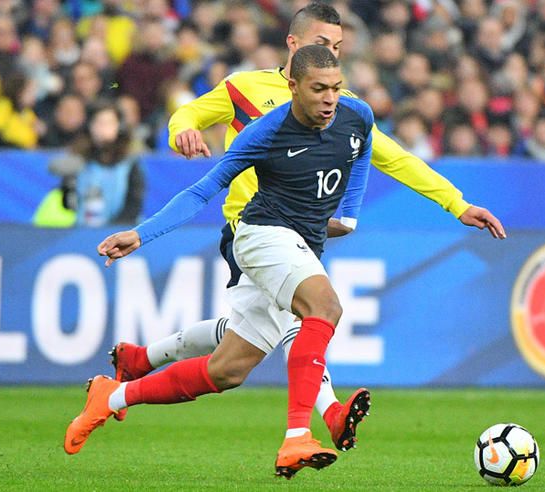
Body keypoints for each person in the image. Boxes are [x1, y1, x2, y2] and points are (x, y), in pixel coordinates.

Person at [108, 1, 505, 450]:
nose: (332, 54)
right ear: (293, 44)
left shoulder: (341, 107)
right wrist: (184, 130)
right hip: (251, 227)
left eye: (337, 47)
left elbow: (396, 159)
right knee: (308, 315)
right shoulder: (245, 88)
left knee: (244, 345)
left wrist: (457, 204)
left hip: (300, 231)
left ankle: (138, 361)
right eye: (321, 44)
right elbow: (189, 114)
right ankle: (322, 418)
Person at [65, 45, 377, 478]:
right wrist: (141, 233)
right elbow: (200, 191)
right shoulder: (266, 132)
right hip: (261, 233)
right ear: (292, 87)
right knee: (324, 308)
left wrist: (349, 215)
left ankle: (111, 397)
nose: (330, 99)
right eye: (318, 89)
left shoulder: (356, 115)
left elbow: (361, 151)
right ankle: (296, 438)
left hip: (301, 243)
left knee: (227, 370)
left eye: (336, 88)